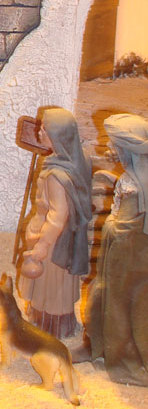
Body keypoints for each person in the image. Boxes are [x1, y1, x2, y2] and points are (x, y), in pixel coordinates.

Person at [81, 113, 148, 384]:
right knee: (99, 296)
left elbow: (126, 228)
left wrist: (110, 226)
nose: (108, 147)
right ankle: (96, 345)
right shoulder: (132, 177)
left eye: (113, 144)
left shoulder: (137, 186)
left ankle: (124, 360)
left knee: (120, 306)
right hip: (119, 255)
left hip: (128, 261)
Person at [17, 107, 92, 339]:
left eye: (44, 130)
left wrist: (42, 245)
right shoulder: (79, 159)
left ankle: (49, 327)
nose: (39, 132)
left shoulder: (56, 177)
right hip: (65, 235)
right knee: (54, 285)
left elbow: (58, 216)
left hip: (51, 239)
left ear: (57, 137)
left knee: (50, 286)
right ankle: (52, 321)